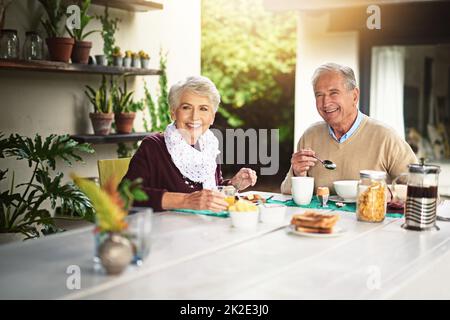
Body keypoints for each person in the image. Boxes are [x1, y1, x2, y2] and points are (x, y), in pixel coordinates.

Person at [124, 75, 257, 211]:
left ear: (212, 117)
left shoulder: (209, 146)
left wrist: (232, 185)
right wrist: (184, 200)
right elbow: (125, 194)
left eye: (203, 109)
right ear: (173, 113)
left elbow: (208, 192)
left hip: (206, 228)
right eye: (186, 107)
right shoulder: (153, 146)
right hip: (168, 230)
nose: (194, 116)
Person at [281, 62, 417, 194]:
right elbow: (286, 192)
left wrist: (387, 192)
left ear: (354, 96)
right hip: (320, 217)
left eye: (333, 93)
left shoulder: (385, 137)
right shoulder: (310, 136)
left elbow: (419, 186)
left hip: (369, 216)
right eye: (319, 95)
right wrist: (297, 173)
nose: (325, 102)